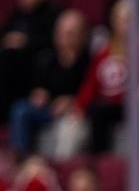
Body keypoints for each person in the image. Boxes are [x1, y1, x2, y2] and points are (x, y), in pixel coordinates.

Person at [63, 0, 139, 156]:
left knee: (104, 112)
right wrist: (79, 107)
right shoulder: (105, 52)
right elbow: (91, 84)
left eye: (128, 19)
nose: (124, 25)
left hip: (136, 105)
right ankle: (98, 160)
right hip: (109, 106)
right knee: (89, 115)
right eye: (119, 20)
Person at [8, 9, 90, 157]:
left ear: (82, 36)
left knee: (70, 123)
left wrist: (72, 101)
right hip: (49, 109)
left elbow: (92, 92)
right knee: (20, 109)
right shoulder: (47, 58)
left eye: (70, 34)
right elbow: (38, 87)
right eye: (60, 33)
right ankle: (21, 159)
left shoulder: (88, 62)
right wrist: (39, 94)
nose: (64, 38)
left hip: (74, 111)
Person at [0, 0, 61, 121]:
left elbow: (55, 41)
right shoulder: (17, 15)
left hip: (37, 63)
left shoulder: (52, 12)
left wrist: (26, 41)